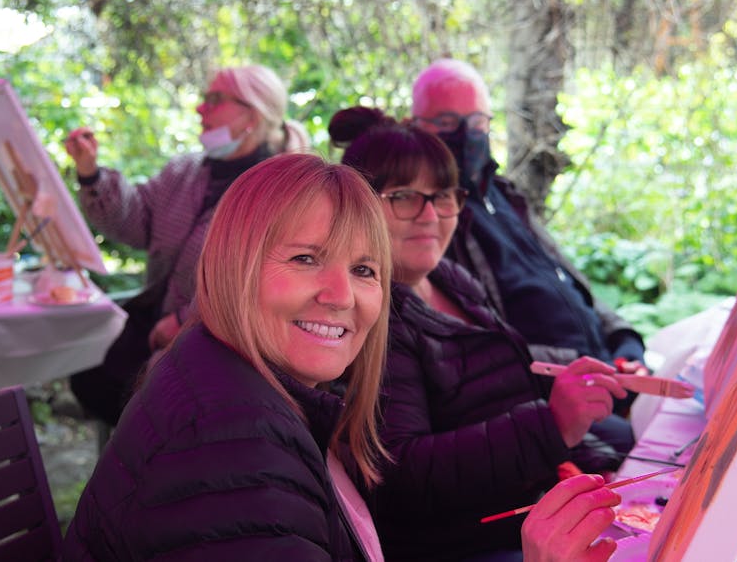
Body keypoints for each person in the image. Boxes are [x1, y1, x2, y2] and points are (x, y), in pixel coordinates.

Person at [61, 153, 622, 562]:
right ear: (235, 265)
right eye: (305, 258)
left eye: (363, 269)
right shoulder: (228, 442)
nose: (342, 295)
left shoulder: (245, 383)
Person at [331, 107, 629, 561]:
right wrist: (552, 427)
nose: (431, 215)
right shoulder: (376, 316)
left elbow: (510, 391)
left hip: (523, 509)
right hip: (470, 542)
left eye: (443, 195)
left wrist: (588, 464)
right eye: (406, 196)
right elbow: (400, 472)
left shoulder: (452, 280)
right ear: (359, 206)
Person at [411, 58, 648, 452]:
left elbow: (568, 279)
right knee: (649, 450)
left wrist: (624, 339)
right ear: (415, 127)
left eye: (476, 122)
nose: (466, 135)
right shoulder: (434, 219)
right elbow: (484, 346)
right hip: (549, 394)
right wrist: (580, 364)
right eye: (448, 123)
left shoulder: (504, 194)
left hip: (606, 371)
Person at [63, 64, 310, 426]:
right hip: (155, 326)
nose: (199, 108)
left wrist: (188, 320)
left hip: (222, 351)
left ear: (252, 116)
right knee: (89, 373)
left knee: (148, 409)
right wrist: (91, 173)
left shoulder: (282, 190)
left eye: (214, 99)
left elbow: (267, 281)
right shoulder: (185, 171)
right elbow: (135, 223)